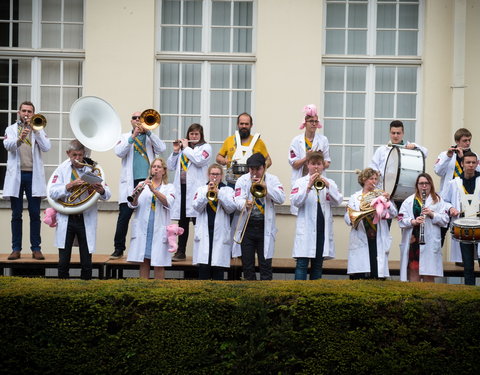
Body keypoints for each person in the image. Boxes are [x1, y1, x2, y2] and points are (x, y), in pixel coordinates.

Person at [48, 140, 111, 280]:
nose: (77, 158)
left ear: (84, 154)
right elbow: (52, 192)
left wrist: (101, 190)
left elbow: (108, 194)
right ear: (68, 154)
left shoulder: (92, 169)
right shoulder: (61, 169)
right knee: (63, 260)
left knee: (86, 260)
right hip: (67, 217)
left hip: (85, 217)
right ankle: (62, 288)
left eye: (80, 155)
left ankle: (86, 288)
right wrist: (69, 186)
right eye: (74, 155)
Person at [110, 111, 166, 260]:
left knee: (147, 215)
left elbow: (162, 148)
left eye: (140, 118)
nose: (137, 120)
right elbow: (119, 152)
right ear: (131, 121)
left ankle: (146, 249)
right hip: (131, 182)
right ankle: (118, 248)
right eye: (135, 118)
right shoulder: (124, 137)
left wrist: (148, 133)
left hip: (148, 181)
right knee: (124, 216)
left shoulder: (150, 137)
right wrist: (133, 136)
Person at [3, 101, 51, 260]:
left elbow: (46, 147)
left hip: (33, 176)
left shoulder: (39, 128)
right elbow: (7, 145)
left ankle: (36, 248)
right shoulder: (11, 129)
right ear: (19, 112)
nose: (26, 114)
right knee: (16, 214)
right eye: (24, 111)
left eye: (29, 111)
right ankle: (16, 249)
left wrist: (36, 132)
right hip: (16, 176)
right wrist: (19, 139)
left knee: (35, 214)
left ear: (33, 113)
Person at [290, 152, 342, 280]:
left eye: (319, 164)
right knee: (302, 265)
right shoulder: (300, 182)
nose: (316, 167)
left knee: (318, 265)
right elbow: (295, 202)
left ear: (323, 166)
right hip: (306, 230)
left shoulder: (330, 182)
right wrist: (308, 187)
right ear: (308, 165)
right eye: (313, 164)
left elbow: (338, 201)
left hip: (322, 230)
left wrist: (329, 186)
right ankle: (298, 294)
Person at [233, 153, 285, 280]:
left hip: (264, 227)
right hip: (247, 227)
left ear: (264, 168)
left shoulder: (273, 180)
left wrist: (267, 188)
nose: (254, 173)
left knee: (265, 265)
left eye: (258, 169)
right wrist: (244, 204)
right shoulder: (242, 180)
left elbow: (281, 198)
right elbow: (237, 199)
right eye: (252, 169)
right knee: (248, 266)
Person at [167, 123, 212, 261]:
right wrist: (175, 151)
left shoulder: (206, 148)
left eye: (196, 134)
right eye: (191, 134)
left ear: (201, 135)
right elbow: (170, 166)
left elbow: (198, 160)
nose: (193, 136)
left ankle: (202, 253)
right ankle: (180, 252)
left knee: (199, 223)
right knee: (182, 223)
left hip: (196, 192)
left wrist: (185, 148)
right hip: (182, 189)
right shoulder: (182, 149)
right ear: (188, 135)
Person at [126, 158, 175, 279]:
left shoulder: (169, 187)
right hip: (145, 229)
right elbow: (132, 204)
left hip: (159, 229)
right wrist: (137, 195)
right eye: (154, 167)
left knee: (159, 263)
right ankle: (143, 291)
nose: (156, 169)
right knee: (144, 261)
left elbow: (168, 202)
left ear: (164, 171)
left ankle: (159, 293)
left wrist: (153, 190)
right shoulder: (141, 184)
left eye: (159, 167)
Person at [344, 168, 397, 279]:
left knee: (376, 269)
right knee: (360, 273)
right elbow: (348, 217)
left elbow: (393, 213)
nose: (374, 181)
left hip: (377, 234)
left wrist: (387, 200)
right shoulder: (355, 197)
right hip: (361, 233)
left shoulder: (380, 195)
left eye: (376, 179)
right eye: (371, 179)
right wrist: (361, 213)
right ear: (364, 180)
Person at [398, 173, 450, 282]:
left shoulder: (439, 201)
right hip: (414, 240)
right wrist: (413, 221)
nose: (424, 186)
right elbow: (401, 219)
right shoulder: (409, 201)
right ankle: (415, 297)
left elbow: (445, 220)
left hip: (430, 241)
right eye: (421, 183)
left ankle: (428, 298)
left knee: (429, 272)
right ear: (417, 185)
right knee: (413, 269)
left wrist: (432, 214)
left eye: (427, 183)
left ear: (431, 184)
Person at [434, 128, 480, 247]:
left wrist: (463, 158)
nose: (468, 143)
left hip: (467, 196)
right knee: (442, 228)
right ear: (457, 141)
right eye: (465, 140)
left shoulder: (474, 156)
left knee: (465, 229)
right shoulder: (445, 154)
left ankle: (462, 260)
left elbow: (477, 172)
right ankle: (436, 256)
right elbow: (438, 171)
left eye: (469, 140)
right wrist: (448, 157)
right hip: (448, 197)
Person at [192, 164, 236, 280]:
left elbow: (231, 208)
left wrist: (219, 193)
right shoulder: (201, 189)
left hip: (220, 234)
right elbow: (196, 207)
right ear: (208, 175)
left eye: (217, 174)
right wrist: (207, 194)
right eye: (212, 174)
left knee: (218, 269)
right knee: (204, 268)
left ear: (221, 176)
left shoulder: (228, 190)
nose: (214, 177)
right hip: (205, 232)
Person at [442, 151, 480, 285]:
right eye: (468, 162)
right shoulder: (454, 183)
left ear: (477, 163)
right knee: (468, 265)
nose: (471, 165)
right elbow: (444, 201)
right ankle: (469, 294)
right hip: (464, 229)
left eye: (473, 162)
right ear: (462, 164)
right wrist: (451, 208)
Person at [288, 104, 331, 215]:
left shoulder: (323, 140)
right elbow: (294, 164)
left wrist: (319, 161)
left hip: (318, 181)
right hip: (302, 182)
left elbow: (327, 163)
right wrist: (307, 158)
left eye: (316, 121)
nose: (314, 124)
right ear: (305, 123)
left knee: (317, 212)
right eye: (311, 121)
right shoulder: (296, 141)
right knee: (302, 215)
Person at [216, 113, 271, 187]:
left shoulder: (259, 142)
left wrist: (259, 169)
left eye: (246, 124)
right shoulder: (229, 140)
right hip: (232, 183)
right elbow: (219, 157)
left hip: (252, 182)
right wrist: (223, 160)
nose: (244, 126)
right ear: (237, 124)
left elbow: (269, 161)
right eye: (241, 124)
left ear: (251, 125)